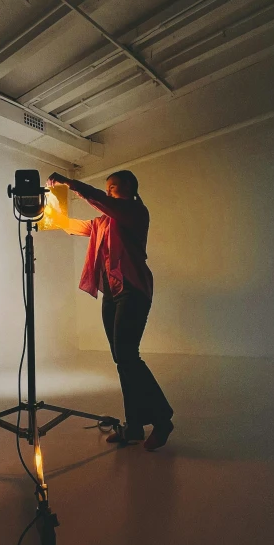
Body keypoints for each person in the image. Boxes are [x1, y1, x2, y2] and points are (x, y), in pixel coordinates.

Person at [46, 170, 174, 451]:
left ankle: (162, 419)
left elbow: (102, 201)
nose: (110, 191)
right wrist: (53, 210)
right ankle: (135, 427)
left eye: (114, 187)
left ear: (130, 187)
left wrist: (70, 183)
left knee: (128, 357)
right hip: (112, 294)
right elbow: (72, 226)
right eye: (108, 187)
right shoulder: (102, 223)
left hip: (133, 290)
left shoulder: (135, 212)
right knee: (122, 360)